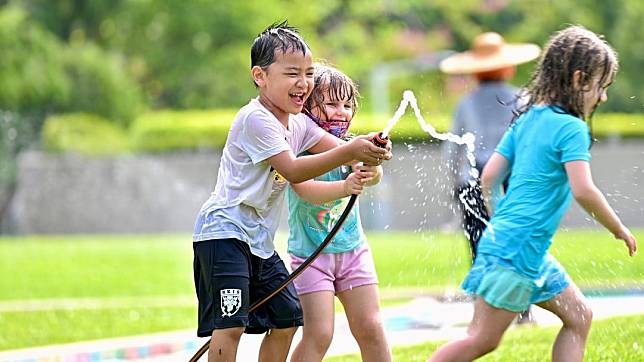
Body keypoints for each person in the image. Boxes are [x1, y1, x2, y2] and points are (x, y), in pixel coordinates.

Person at [429, 25, 637, 362]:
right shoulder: (571, 127)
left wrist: (499, 220)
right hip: (519, 253)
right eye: (601, 87)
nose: (603, 97)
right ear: (579, 79)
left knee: (579, 317)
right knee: (480, 340)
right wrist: (618, 228)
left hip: (519, 249)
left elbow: (488, 177)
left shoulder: (527, 119)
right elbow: (583, 189)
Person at [191, 21, 391, 362]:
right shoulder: (256, 119)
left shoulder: (297, 122)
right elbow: (294, 169)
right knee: (231, 326)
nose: (303, 84)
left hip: (259, 241)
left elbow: (341, 152)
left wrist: (370, 154)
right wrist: (351, 152)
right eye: (292, 74)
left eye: (308, 74)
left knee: (286, 318)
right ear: (260, 76)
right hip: (223, 234)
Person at [287, 64, 392, 362]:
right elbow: (303, 189)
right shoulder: (300, 152)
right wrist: (346, 186)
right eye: (331, 104)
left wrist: (373, 167)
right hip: (311, 256)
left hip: (353, 250)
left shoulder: (349, 146)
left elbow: (375, 173)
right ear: (305, 106)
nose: (341, 112)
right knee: (319, 333)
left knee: (371, 326)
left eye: (347, 105)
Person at [440, 31, 540, 325]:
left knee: (480, 244)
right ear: (507, 66)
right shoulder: (522, 97)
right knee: (516, 242)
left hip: (472, 180)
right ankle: (522, 309)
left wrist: (454, 185)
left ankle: (484, 311)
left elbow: (452, 149)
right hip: (510, 179)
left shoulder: (466, 103)